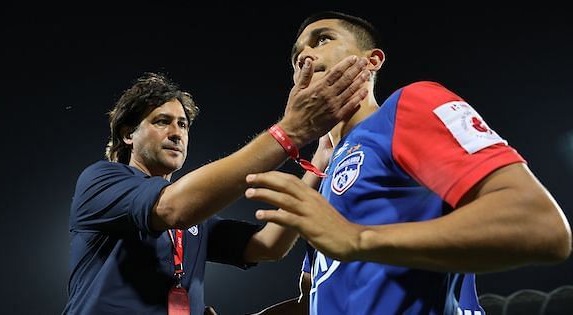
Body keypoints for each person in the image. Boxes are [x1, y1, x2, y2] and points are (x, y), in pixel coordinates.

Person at [247, 11, 573, 315]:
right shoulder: (325, 174)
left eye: (322, 40)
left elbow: (539, 225)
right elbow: (319, 296)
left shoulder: (406, 107)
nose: (304, 55)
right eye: (296, 56)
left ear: (371, 61)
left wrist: (359, 239)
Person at [64, 55, 372, 315]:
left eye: (183, 124)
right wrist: (290, 132)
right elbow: (175, 207)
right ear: (128, 135)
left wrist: (319, 162)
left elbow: (268, 246)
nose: (176, 132)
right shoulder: (101, 181)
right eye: (162, 121)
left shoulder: (195, 222)